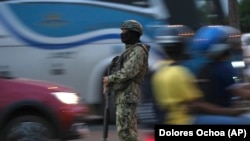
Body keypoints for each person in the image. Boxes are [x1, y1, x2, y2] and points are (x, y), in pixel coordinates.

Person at [151, 25, 250, 125]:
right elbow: (196, 104)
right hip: (185, 120)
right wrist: (232, 111)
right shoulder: (180, 72)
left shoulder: (160, 69)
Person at [103, 19, 149, 141]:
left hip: (128, 96)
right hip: (123, 96)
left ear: (133, 33)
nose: (122, 34)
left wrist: (110, 79)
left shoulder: (138, 51)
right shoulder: (130, 51)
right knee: (125, 132)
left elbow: (129, 72)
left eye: (125, 31)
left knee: (126, 133)